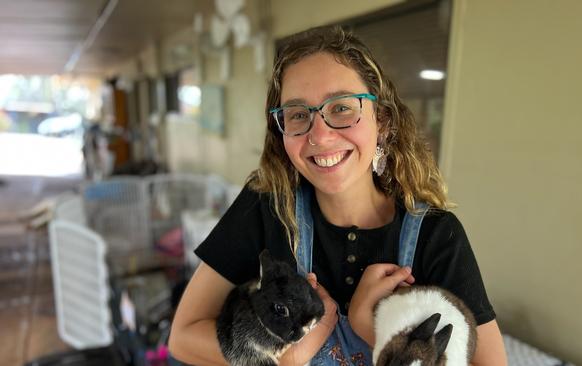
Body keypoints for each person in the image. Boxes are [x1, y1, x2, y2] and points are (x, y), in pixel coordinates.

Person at [169, 26, 507, 365]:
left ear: (383, 121)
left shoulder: (437, 236)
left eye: (342, 108)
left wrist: (374, 332)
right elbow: (184, 337)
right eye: (299, 114)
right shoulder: (265, 208)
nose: (319, 135)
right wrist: (289, 357)